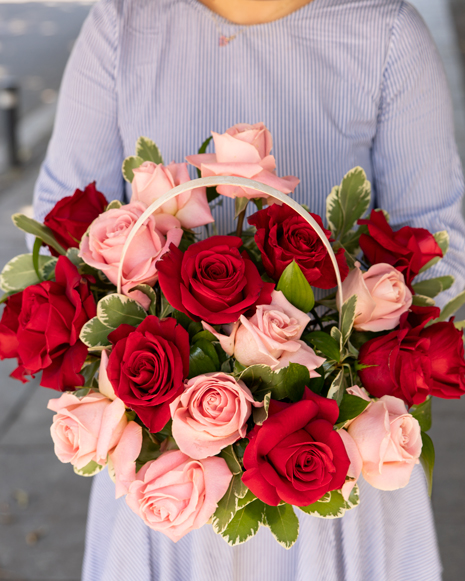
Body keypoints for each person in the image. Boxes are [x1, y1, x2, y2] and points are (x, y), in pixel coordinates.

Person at [33, 0, 465, 579]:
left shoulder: (384, 31)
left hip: (333, 467)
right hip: (166, 486)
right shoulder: (124, 25)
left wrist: (306, 370)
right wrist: (177, 386)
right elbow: (63, 230)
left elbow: (442, 249)